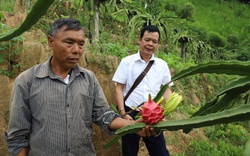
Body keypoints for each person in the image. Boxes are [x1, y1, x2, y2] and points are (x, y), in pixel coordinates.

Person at [4, 18, 157, 156]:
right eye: (69, 42)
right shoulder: (27, 81)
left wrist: (132, 125)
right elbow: (17, 137)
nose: (77, 50)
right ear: (50, 42)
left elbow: (104, 116)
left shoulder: (89, 79)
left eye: (81, 44)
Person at [112, 25, 173, 156]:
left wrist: (165, 112)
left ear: (158, 44)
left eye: (154, 41)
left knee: (160, 152)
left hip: (153, 115)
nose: (150, 44)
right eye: (147, 40)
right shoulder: (127, 62)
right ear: (140, 40)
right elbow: (119, 88)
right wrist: (123, 113)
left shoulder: (162, 65)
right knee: (129, 152)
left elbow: (167, 89)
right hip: (131, 114)